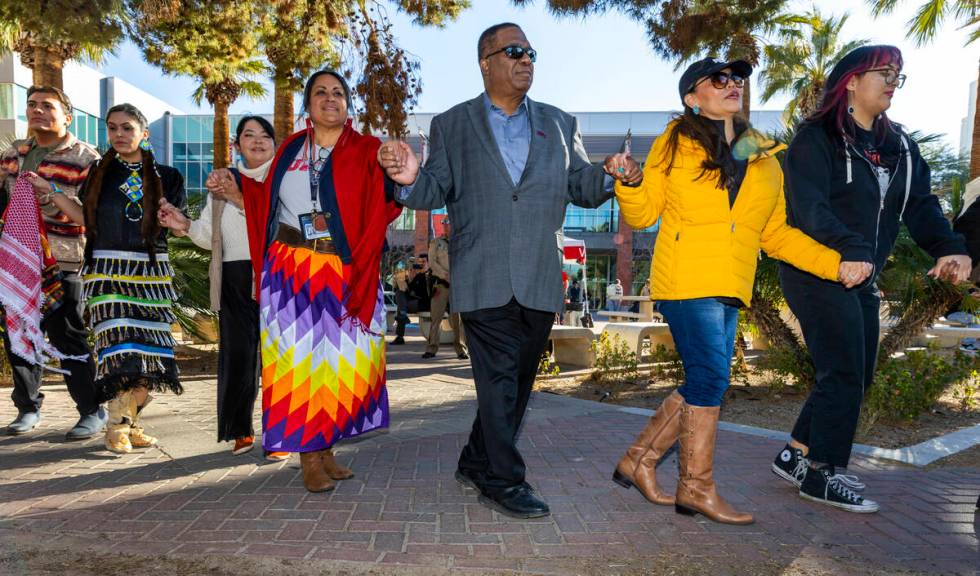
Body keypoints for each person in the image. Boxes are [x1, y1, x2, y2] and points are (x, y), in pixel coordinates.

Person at [380, 22, 616, 518]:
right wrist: (406, 178)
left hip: (537, 271)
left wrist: (613, 174)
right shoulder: (453, 124)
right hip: (482, 268)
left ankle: (473, 458)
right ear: (485, 62)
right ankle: (503, 479)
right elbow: (432, 189)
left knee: (518, 381)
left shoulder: (558, 122)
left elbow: (583, 187)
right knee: (497, 378)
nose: (525, 58)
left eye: (530, 52)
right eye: (513, 51)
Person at [606, 57, 853, 525]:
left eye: (737, 78)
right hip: (685, 278)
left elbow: (776, 235)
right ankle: (696, 488)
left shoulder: (763, 158)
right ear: (691, 96)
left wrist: (835, 265)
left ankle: (639, 462)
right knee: (709, 380)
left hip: (730, 285)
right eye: (718, 79)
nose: (732, 84)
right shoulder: (675, 142)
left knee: (706, 381)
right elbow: (643, 214)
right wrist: (631, 182)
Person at [771, 45, 971, 513]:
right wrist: (853, 249)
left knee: (856, 375)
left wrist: (949, 248)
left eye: (898, 73)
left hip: (862, 275)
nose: (893, 80)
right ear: (851, 81)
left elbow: (920, 204)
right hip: (815, 269)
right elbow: (809, 208)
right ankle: (822, 474)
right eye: (883, 71)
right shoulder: (815, 138)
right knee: (842, 371)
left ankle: (795, 454)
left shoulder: (899, 145)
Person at [216, 70, 401, 493]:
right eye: (320, 92)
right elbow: (264, 199)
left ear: (347, 103)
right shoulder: (289, 151)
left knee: (343, 363)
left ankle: (327, 446)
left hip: (344, 270)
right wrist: (234, 187)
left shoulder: (367, 149)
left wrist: (399, 167)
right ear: (308, 104)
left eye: (338, 93)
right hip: (292, 268)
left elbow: (390, 196)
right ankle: (308, 457)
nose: (330, 99)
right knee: (298, 364)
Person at [68, 103, 186, 454]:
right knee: (118, 348)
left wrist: (171, 218)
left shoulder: (169, 176)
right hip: (106, 271)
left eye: (127, 128)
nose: (119, 134)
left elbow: (177, 230)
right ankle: (117, 426)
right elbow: (86, 220)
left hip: (150, 274)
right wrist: (54, 194)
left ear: (143, 133)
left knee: (151, 354)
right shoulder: (98, 173)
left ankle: (130, 423)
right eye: (113, 128)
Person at [157, 116, 276, 456]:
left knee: (278, 356)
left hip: (277, 275)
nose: (257, 141)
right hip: (233, 277)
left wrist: (240, 198)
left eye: (264, 135)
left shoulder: (283, 180)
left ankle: (281, 431)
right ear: (237, 145)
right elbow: (211, 238)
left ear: (274, 143)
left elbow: (274, 225)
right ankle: (240, 429)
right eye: (248, 135)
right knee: (238, 355)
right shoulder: (222, 182)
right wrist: (183, 224)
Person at [0, 85, 103, 439]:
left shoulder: (85, 158)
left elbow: (93, 215)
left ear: (67, 116)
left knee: (68, 337)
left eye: (47, 106)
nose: (37, 111)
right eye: (31, 105)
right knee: (19, 337)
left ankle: (92, 410)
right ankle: (28, 408)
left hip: (62, 261)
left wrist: (50, 193)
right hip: (17, 264)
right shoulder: (14, 154)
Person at [422, 217, 468, 360]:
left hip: (457, 285)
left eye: (450, 224)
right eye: (445, 224)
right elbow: (432, 262)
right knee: (436, 317)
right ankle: (431, 348)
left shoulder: (460, 242)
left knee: (458, 319)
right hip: (440, 284)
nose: (447, 226)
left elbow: (465, 260)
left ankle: (461, 349)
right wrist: (444, 275)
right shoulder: (436, 243)